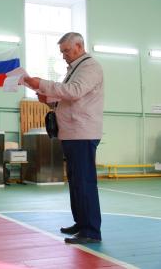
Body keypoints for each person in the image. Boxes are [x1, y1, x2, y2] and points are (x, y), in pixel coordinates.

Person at [24, 32, 104, 244]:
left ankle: (91, 230)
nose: (63, 55)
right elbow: (67, 99)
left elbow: (74, 91)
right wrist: (47, 99)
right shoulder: (74, 69)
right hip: (71, 133)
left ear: (79, 46)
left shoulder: (90, 67)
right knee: (76, 181)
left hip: (82, 133)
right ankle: (81, 222)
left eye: (66, 51)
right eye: (62, 52)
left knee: (84, 181)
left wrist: (42, 82)